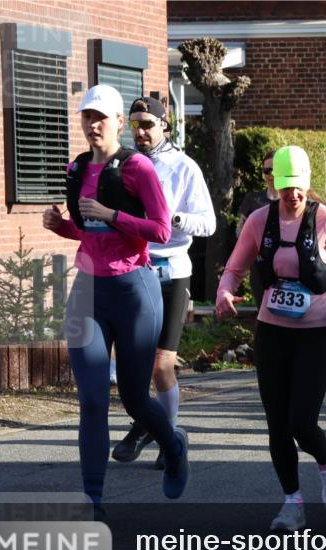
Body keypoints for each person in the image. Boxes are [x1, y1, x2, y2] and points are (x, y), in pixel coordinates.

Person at [42, 84, 189, 509]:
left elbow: (161, 230)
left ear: (118, 123)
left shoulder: (138, 167)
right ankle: (93, 499)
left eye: (100, 117)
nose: (92, 125)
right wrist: (60, 225)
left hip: (134, 290)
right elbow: (86, 231)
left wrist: (112, 214)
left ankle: (173, 446)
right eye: (87, 117)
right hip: (88, 289)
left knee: (133, 396)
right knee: (91, 399)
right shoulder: (77, 168)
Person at [216, 146, 326, 531]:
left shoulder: (325, 220)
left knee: (301, 422)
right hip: (273, 332)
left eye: (298, 186)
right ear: (274, 184)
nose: (292, 193)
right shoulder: (260, 221)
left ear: (307, 184)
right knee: (277, 422)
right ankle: (292, 501)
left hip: (315, 332)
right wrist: (225, 292)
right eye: (285, 185)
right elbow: (234, 268)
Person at [111, 96, 216, 469]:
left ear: (164, 126)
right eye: (134, 125)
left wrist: (176, 219)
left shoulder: (183, 166)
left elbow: (209, 223)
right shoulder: (123, 163)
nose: (140, 132)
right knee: (132, 362)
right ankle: (145, 424)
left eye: (147, 125)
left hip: (171, 269)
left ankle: (166, 433)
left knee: (160, 364)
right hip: (132, 269)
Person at [236, 150, 281, 303]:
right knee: (262, 311)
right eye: (266, 171)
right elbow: (239, 231)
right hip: (259, 267)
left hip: (285, 265)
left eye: (274, 170)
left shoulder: (291, 201)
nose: (270, 175)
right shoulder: (252, 199)